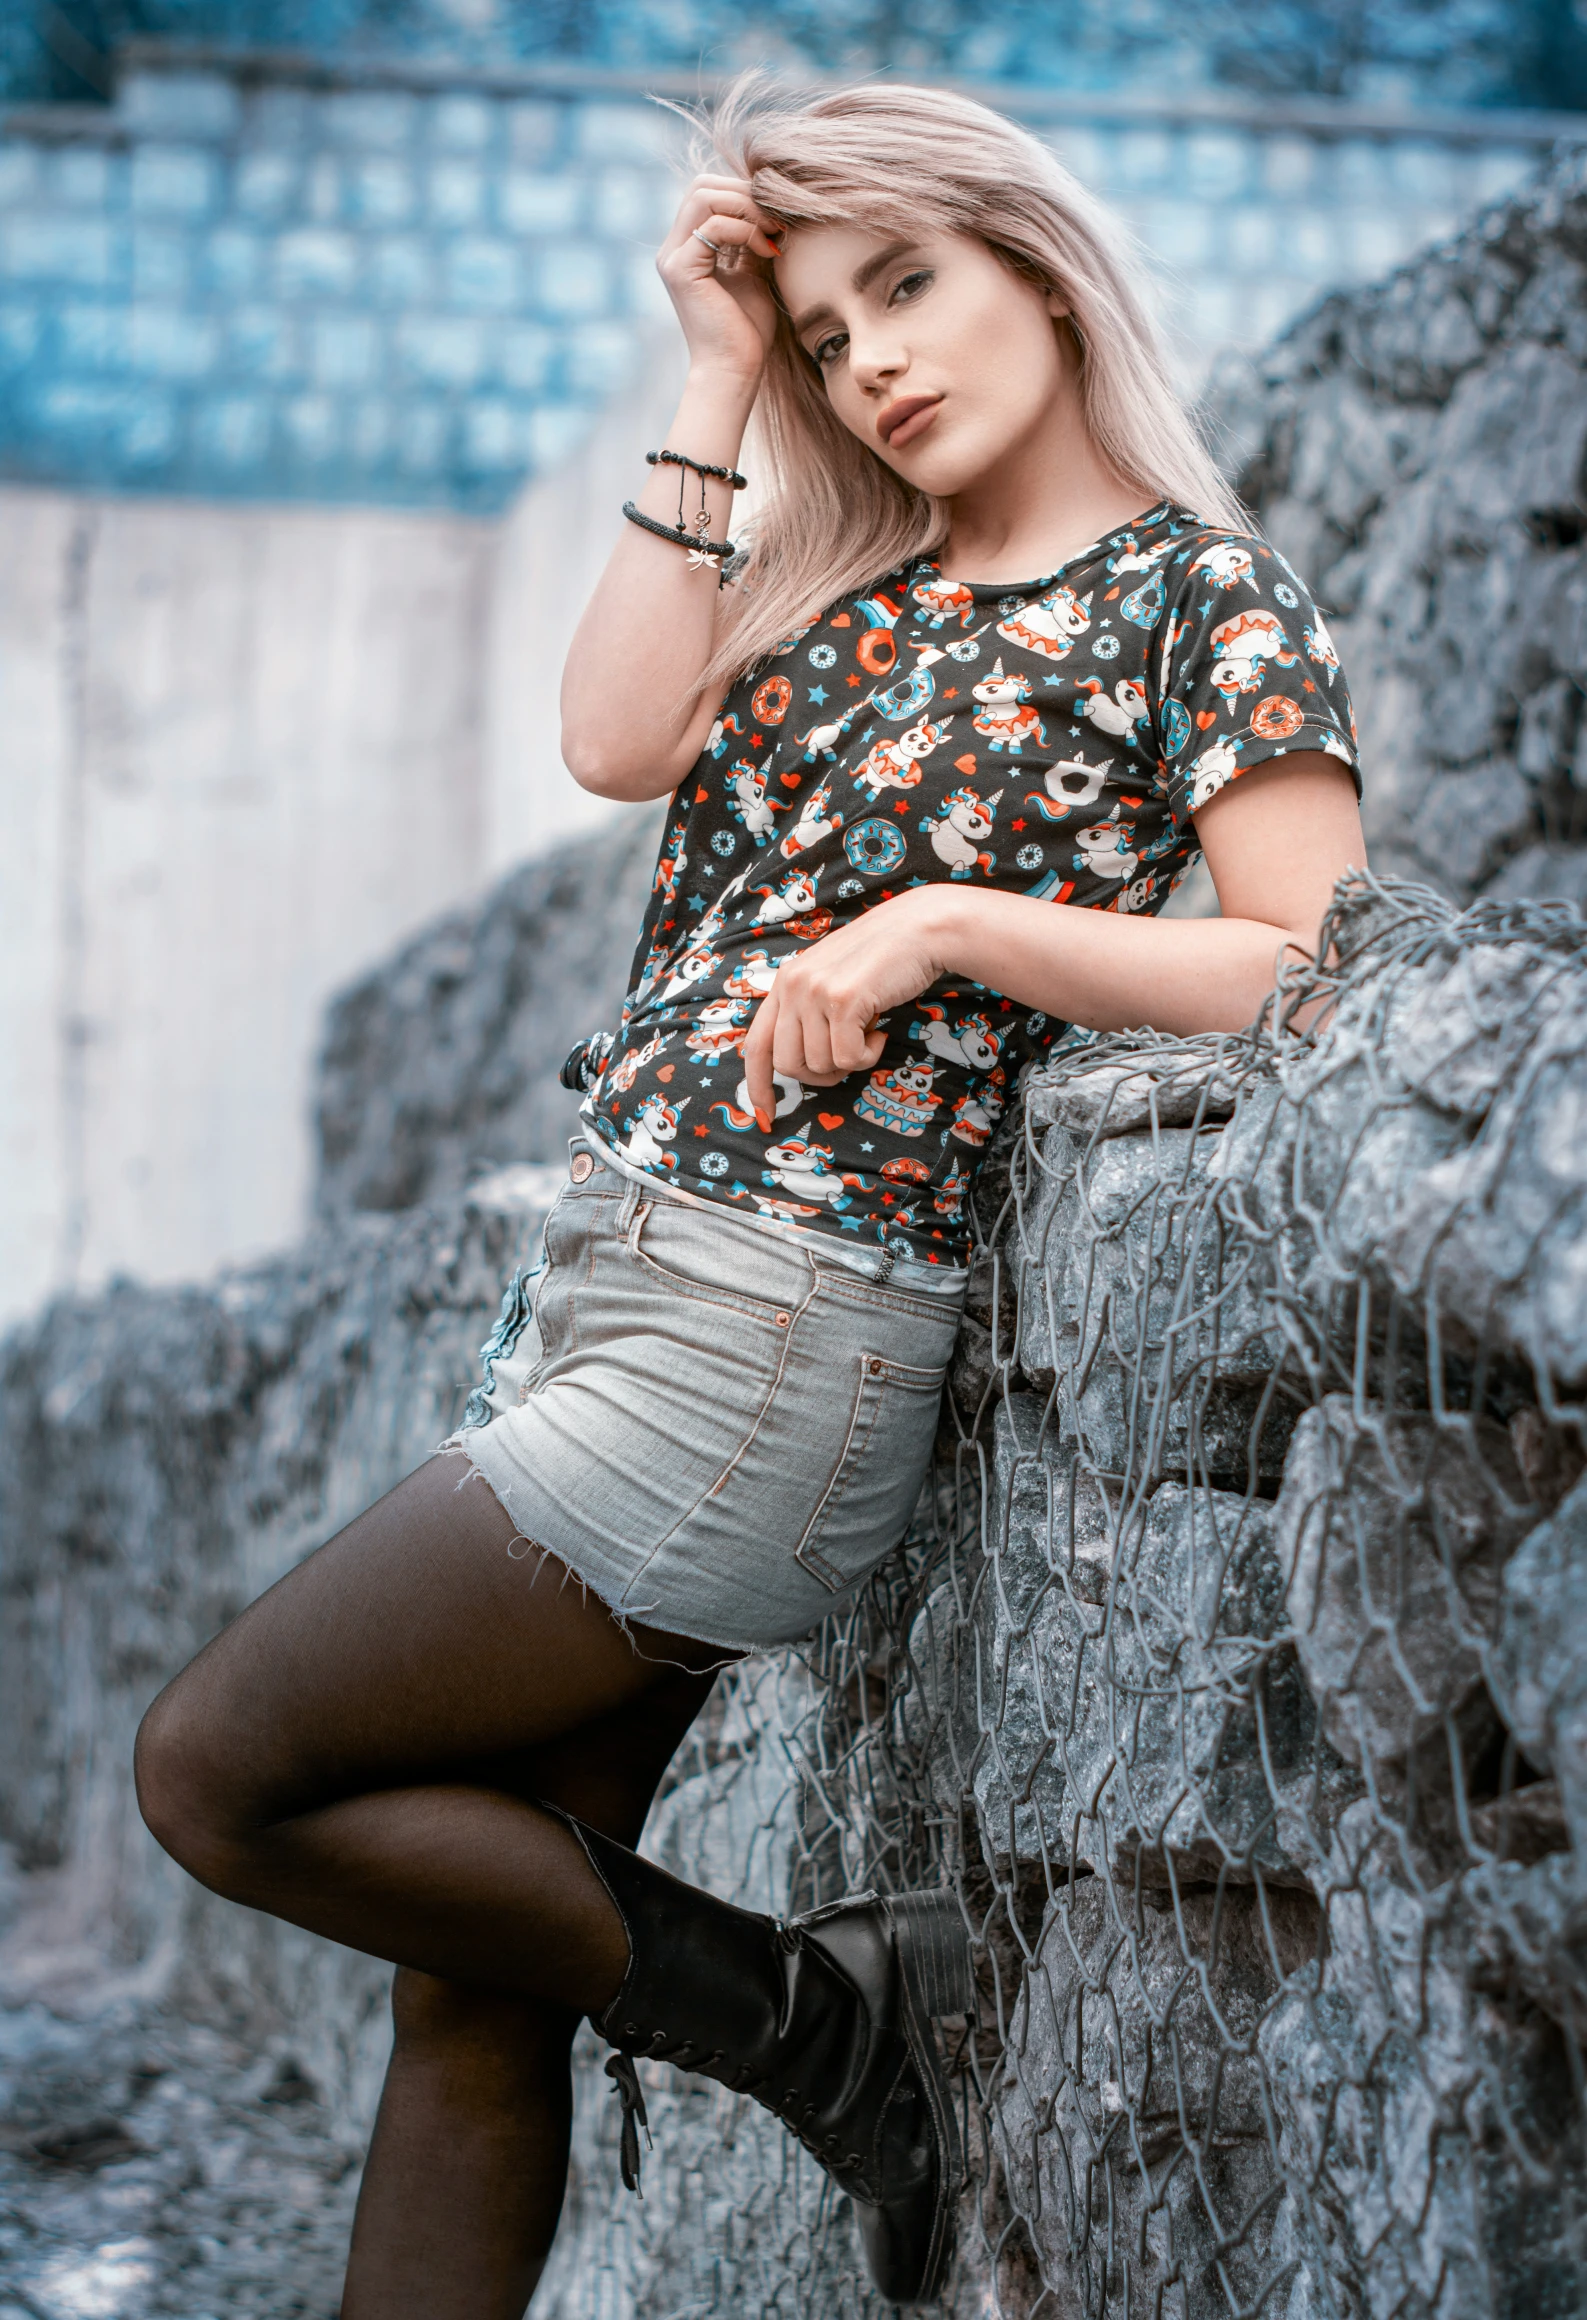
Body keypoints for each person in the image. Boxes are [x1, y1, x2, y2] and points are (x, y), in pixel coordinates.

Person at [134, 73, 1367, 2320]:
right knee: (472, 1989)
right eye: (821, 333)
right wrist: (711, 371)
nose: (869, 356)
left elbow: (1303, 955)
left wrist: (950, 927)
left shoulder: (1199, 596)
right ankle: (812, 2014)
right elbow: (609, 738)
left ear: (1034, 261)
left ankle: (814, 2018)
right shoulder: (844, 576)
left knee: (222, 1765)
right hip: (618, 1290)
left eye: (904, 283)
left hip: (773, 1335)